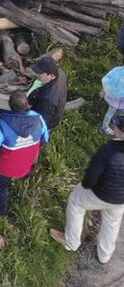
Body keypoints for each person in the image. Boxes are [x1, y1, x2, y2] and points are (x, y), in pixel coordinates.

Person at [53, 112, 124, 264]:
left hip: (100, 194)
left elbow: (91, 176)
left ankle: (71, 242)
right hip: (121, 199)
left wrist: (85, 186)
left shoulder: (108, 151)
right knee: (112, 222)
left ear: (119, 130)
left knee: (75, 202)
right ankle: (105, 255)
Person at [0, 91, 49, 216]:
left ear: (10, 106)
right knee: (20, 169)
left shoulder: (0, 126)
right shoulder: (38, 119)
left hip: (3, 168)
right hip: (27, 164)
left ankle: (0, 212)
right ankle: (23, 183)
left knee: (1, 188)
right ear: (28, 105)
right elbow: (45, 138)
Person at [27, 55, 68, 130]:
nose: (36, 74)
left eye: (40, 73)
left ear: (51, 76)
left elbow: (41, 121)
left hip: (43, 118)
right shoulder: (60, 73)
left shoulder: (49, 99)